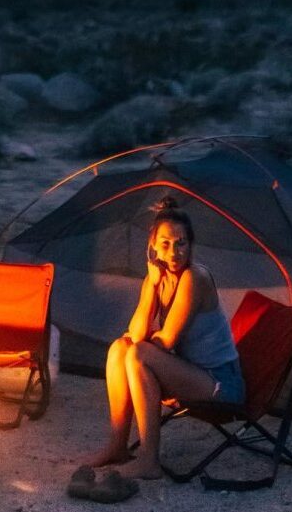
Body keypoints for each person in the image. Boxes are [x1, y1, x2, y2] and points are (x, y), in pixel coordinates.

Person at [87, 196, 245, 480]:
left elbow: (166, 342)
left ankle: (149, 461)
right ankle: (118, 446)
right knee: (119, 348)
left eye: (181, 243)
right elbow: (135, 334)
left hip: (221, 384)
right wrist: (152, 285)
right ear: (153, 247)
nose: (174, 252)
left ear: (191, 245)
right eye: (165, 244)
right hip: (192, 373)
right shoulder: (157, 278)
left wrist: (141, 343)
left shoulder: (195, 278)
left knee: (136, 353)